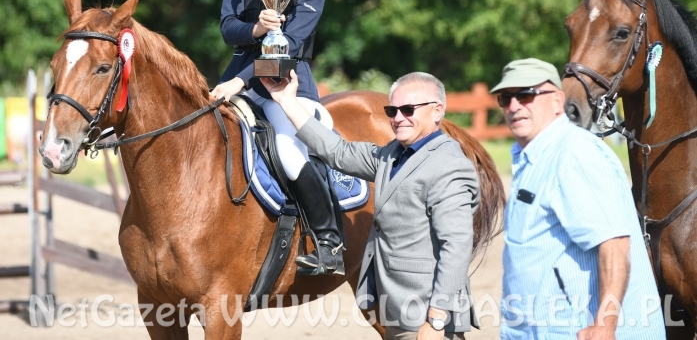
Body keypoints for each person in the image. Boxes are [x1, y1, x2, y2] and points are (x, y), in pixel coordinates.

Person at [261, 71, 479, 339]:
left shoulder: (450, 167)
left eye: (408, 109)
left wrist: (436, 320)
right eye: (392, 110)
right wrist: (287, 101)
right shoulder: (390, 155)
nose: (398, 118)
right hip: (393, 311)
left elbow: (456, 247)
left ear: (437, 112)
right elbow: (337, 152)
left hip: (426, 317)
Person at [210, 0, 345, 275]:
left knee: (287, 150)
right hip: (236, 75)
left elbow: (292, 46)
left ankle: (328, 241)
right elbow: (227, 29)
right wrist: (255, 28)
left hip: (286, 85)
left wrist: (242, 83)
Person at [491, 58, 666, 339]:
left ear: (557, 100)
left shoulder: (573, 155)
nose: (513, 106)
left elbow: (615, 244)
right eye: (505, 98)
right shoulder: (532, 155)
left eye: (526, 95)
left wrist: (605, 324)